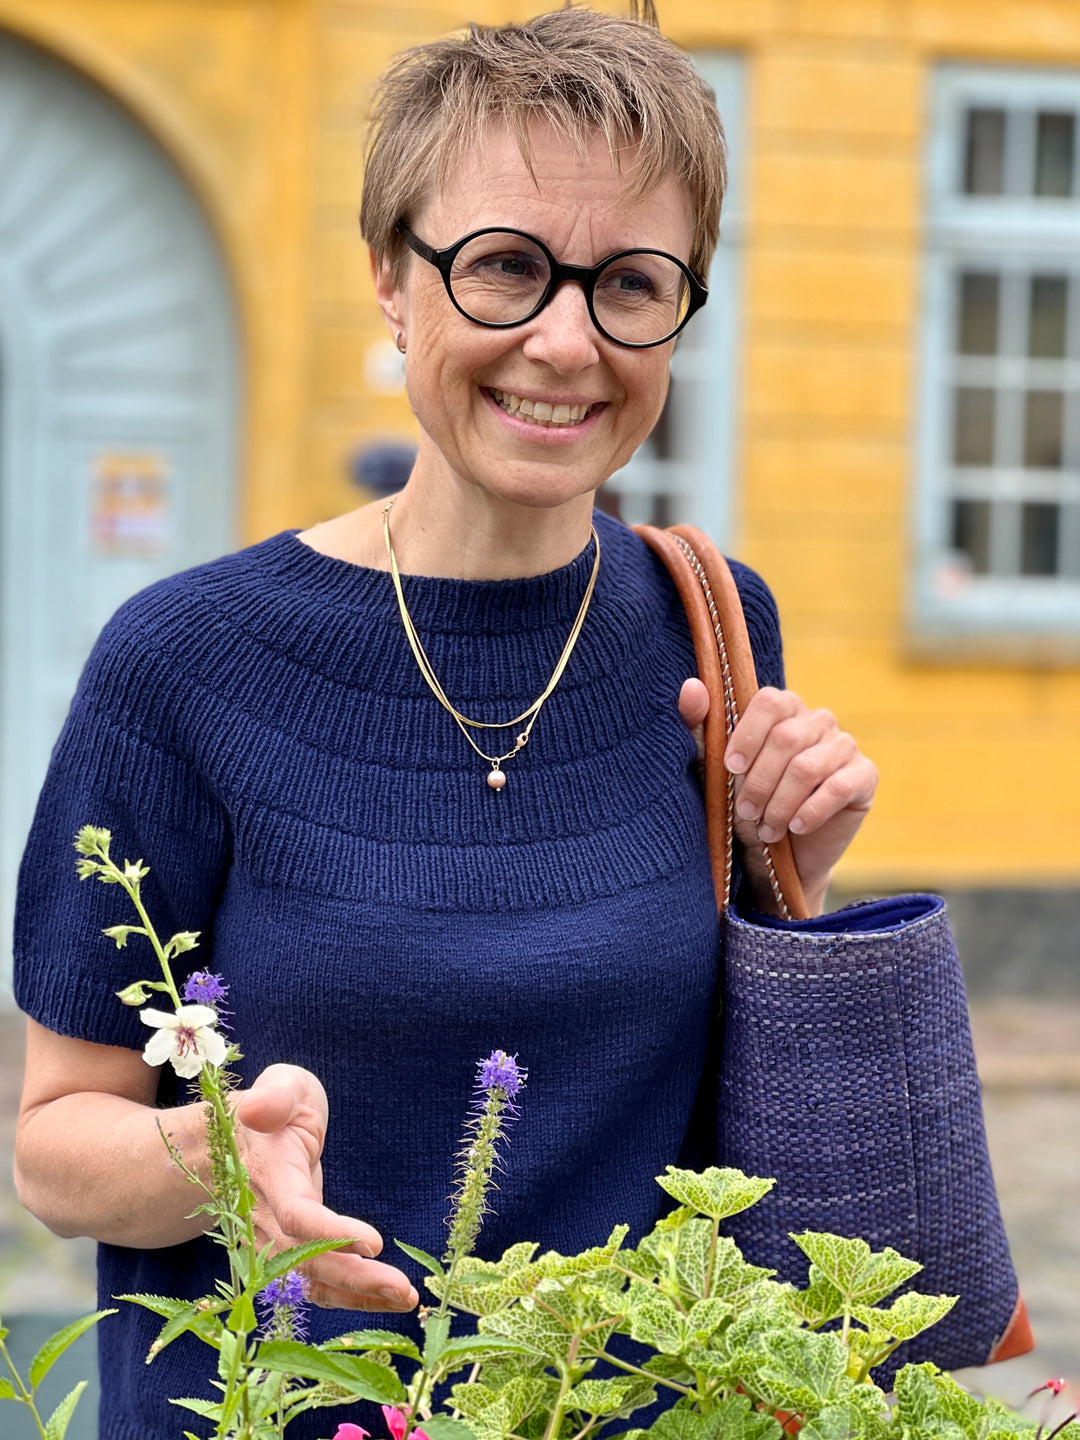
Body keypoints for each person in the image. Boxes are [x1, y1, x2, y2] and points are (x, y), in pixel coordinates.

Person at [12, 7, 878, 1437]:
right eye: (504, 268)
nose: (565, 341)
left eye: (633, 284)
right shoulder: (184, 661)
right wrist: (221, 1160)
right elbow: (54, 1145)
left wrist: (796, 875)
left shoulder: (714, 625)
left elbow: (723, 1116)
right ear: (391, 281)